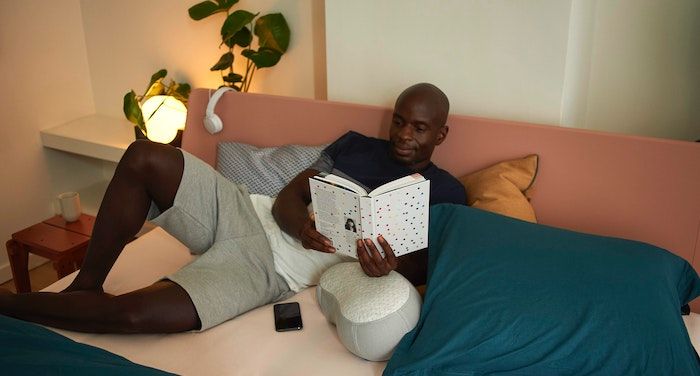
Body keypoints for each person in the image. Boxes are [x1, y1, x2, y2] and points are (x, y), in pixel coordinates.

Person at [0, 83, 466, 333]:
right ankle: (85, 287)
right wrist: (300, 225)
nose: (404, 135)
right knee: (144, 155)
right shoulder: (356, 147)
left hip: (269, 269)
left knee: (136, 317)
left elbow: (423, 267)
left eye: (420, 129)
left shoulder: (445, 193)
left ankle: (14, 307)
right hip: (248, 210)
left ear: (440, 134)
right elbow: (290, 195)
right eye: (400, 122)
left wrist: (388, 269)